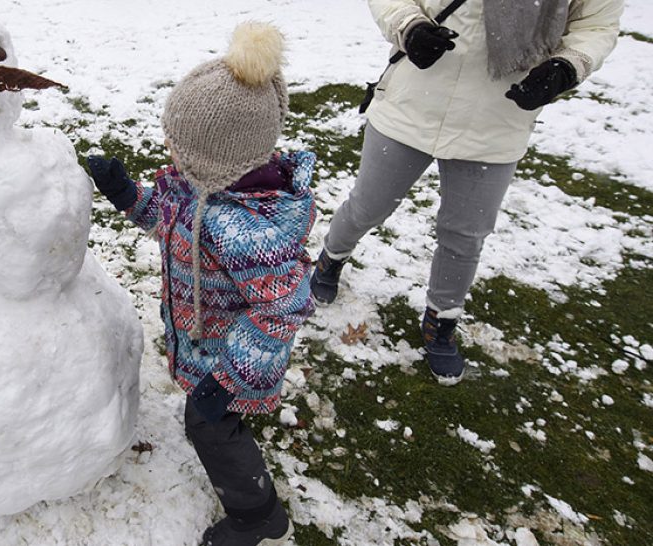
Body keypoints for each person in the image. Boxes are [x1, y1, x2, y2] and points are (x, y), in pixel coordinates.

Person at [312, 0, 624, 384]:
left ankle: (440, 321)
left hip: (498, 118)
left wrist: (567, 65)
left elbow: (596, 25)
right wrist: (408, 26)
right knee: (367, 206)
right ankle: (331, 257)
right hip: (411, 103)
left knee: (465, 234)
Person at [87, 22, 314, 546]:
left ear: (214, 154)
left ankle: (260, 519)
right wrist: (127, 195)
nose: (168, 144)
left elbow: (281, 309)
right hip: (210, 344)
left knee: (209, 425)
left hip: (231, 358)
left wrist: (229, 380)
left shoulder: (241, 228)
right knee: (214, 421)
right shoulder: (204, 190)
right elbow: (169, 221)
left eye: (178, 140)